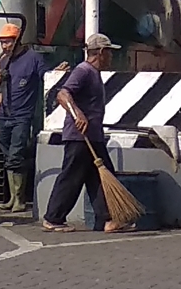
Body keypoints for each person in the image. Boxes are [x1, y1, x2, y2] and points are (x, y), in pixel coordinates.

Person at [43, 33, 132, 234]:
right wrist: (78, 114)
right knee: (72, 177)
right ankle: (53, 218)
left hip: (93, 136)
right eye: (109, 52)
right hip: (80, 136)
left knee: (101, 177)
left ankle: (108, 219)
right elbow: (62, 94)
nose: (111, 56)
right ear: (100, 52)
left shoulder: (94, 73)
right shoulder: (83, 71)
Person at [0, 23, 60, 214]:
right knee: (7, 154)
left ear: (18, 40)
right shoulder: (4, 61)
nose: (4, 46)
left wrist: (57, 73)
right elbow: (3, 89)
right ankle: (12, 197)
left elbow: (48, 77)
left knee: (16, 155)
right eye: (2, 42)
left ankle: (19, 199)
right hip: (5, 115)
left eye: (8, 42)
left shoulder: (34, 59)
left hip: (23, 116)